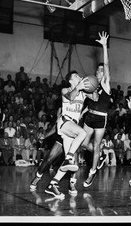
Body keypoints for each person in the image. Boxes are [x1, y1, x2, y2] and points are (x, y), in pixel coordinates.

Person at [44, 69, 96, 198]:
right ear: (70, 80)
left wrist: (92, 86)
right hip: (64, 122)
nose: (79, 77)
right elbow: (71, 97)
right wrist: (78, 87)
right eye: (76, 76)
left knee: (70, 163)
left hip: (71, 128)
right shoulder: (65, 90)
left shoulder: (83, 93)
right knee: (82, 133)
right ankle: (68, 158)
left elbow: (95, 98)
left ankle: (53, 184)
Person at [80, 31, 112, 188]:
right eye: (98, 70)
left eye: (101, 70)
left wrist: (104, 46)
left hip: (100, 118)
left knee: (97, 145)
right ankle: (99, 157)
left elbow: (106, 65)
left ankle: (92, 172)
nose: (99, 72)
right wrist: (82, 113)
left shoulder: (106, 84)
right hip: (89, 117)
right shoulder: (93, 87)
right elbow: (89, 103)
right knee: (84, 144)